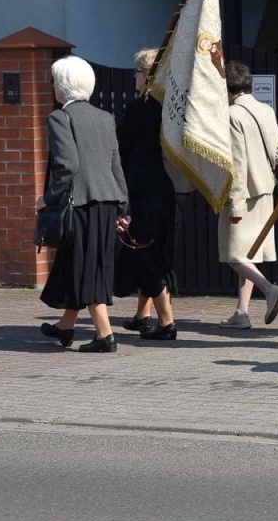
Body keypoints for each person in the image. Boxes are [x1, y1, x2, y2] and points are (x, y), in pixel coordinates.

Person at [39, 56, 130, 353]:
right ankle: (66, 326)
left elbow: (67, 165)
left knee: (85, 267)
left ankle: (105, 335)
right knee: (80, 264)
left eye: (53, 81)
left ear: (62, 86)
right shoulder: (105, 117)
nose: (52, 87)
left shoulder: (59, 118)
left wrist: (48, 198)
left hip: (79, 204)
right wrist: (122, 206)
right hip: (106, 202)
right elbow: (115, 165)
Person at [115, 48, 179, 341]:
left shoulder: (142, 108)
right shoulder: (168, 107)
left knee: (146, 252)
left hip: (144, 190)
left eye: (138, 72)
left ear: (149, 75)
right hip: (162, 190)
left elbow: (122, 145)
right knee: (144, 251)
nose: (135, 77)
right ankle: (143, 315)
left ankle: (167, 323)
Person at [219, 61, 278, 328]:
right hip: (266, 193)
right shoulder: (266, 110)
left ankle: (269, 289)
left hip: (243, 196)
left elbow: (236, 165)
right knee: (249, 254)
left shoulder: (232, 115)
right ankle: (241, 313)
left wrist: (234, 205)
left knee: (235, 255)